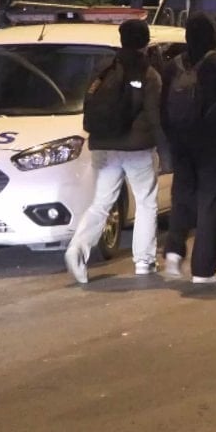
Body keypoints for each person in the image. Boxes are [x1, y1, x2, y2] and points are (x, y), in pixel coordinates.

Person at [64, 20, 170, 283]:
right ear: (146, 41)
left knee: (101, 204)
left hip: (104, 145)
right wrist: (166, 152)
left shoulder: (103, 69)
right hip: (138, 148)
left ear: (121, 39)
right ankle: (144, 261)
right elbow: (155, 117)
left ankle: (77, 249)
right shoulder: (149, 74)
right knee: (146, 203)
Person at [162, 14, 216, 283]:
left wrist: (172, 139)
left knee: (182, 196)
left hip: (181, 143)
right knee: (212, 203)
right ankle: (204, 270)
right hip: (213, 145)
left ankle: (173, 253)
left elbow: (164, 107)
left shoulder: (172, 66)